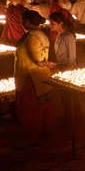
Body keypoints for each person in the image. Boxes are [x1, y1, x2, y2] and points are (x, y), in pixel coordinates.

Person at [14, 10, 56, 146]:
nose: (21, 23)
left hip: (31, 78)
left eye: (22, 21)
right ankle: (46, 133)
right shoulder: (42, 34)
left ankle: (32, 139)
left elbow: (38, 59)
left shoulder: (32, 37)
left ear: (27, 22)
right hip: (41, 76)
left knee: (30, 109)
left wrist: (47, 64)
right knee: (44, 106)